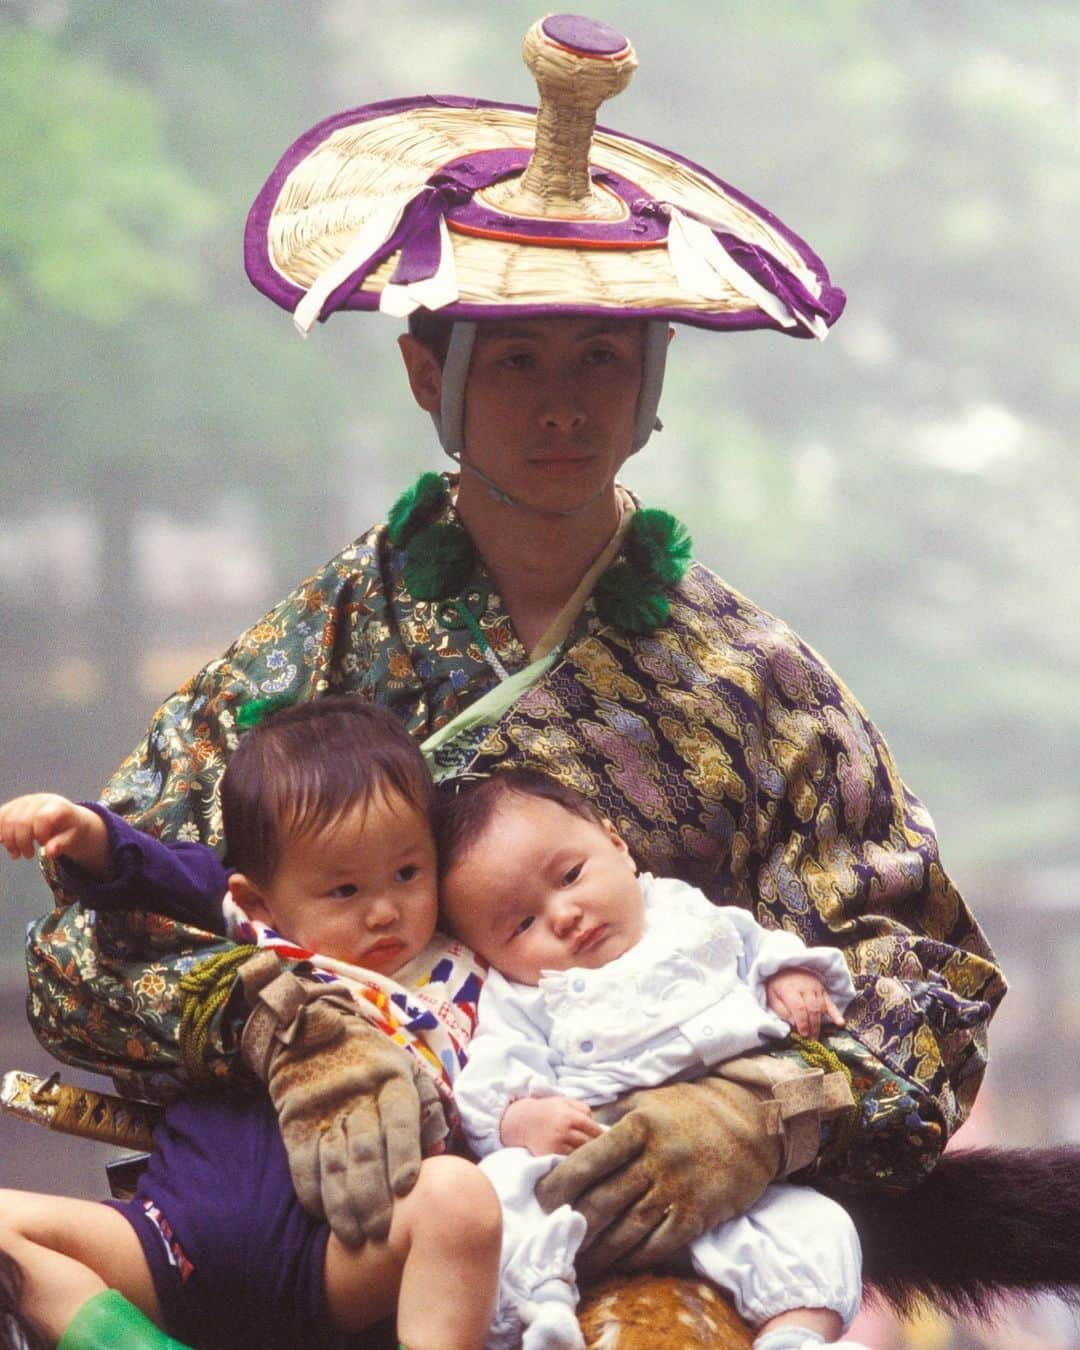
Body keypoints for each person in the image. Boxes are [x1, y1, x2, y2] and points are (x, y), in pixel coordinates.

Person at [24, 10, 1004, 1300]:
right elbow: (82, 955)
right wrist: (281, 1026)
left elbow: (930, 983)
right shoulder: (312, 653)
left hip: (683, 1263)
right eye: (519, 360)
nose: (562, 402)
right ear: (428, 371)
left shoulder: (755, 682)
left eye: (603, 357)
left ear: (654, 387)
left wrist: (772, 1107)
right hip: (348, 1250)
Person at [0, 699, 499, 1350]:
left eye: (407, 872)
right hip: (164, 1239)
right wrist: (86, 831)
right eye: (345, 891)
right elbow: (159, 873)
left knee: (460, 1200)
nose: (384, 910)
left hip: (333, 1260)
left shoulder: (469, 963)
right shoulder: (260, 933)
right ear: (259, 899)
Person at [440, 767, 865, 1350]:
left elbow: (756, 944)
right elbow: (493, 1075)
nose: (563, 915)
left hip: (739, 1153)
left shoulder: (683, 911)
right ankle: (541, 1311)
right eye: (521, 924)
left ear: (616, 844)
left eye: (570, 875)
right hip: (598, 1159)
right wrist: (521, 1120)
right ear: (489, 955)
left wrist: (791, 976)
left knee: (821, 1226)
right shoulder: (523, 996)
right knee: (501, 1194)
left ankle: (797, 1335)